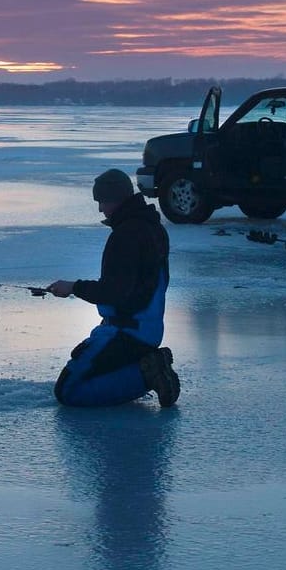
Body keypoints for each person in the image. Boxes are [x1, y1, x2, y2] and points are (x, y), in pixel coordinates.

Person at [48, 168, 180, 407]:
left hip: (129, 333)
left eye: (102, 202)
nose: (100, 209)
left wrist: (73, 287)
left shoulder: (127, 235)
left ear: (115, 199)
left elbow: (114, 292)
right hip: (145, 328)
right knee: (85, 371)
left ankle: (148, 373)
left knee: (68, 391)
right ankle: (142, 367)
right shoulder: (152, 228)